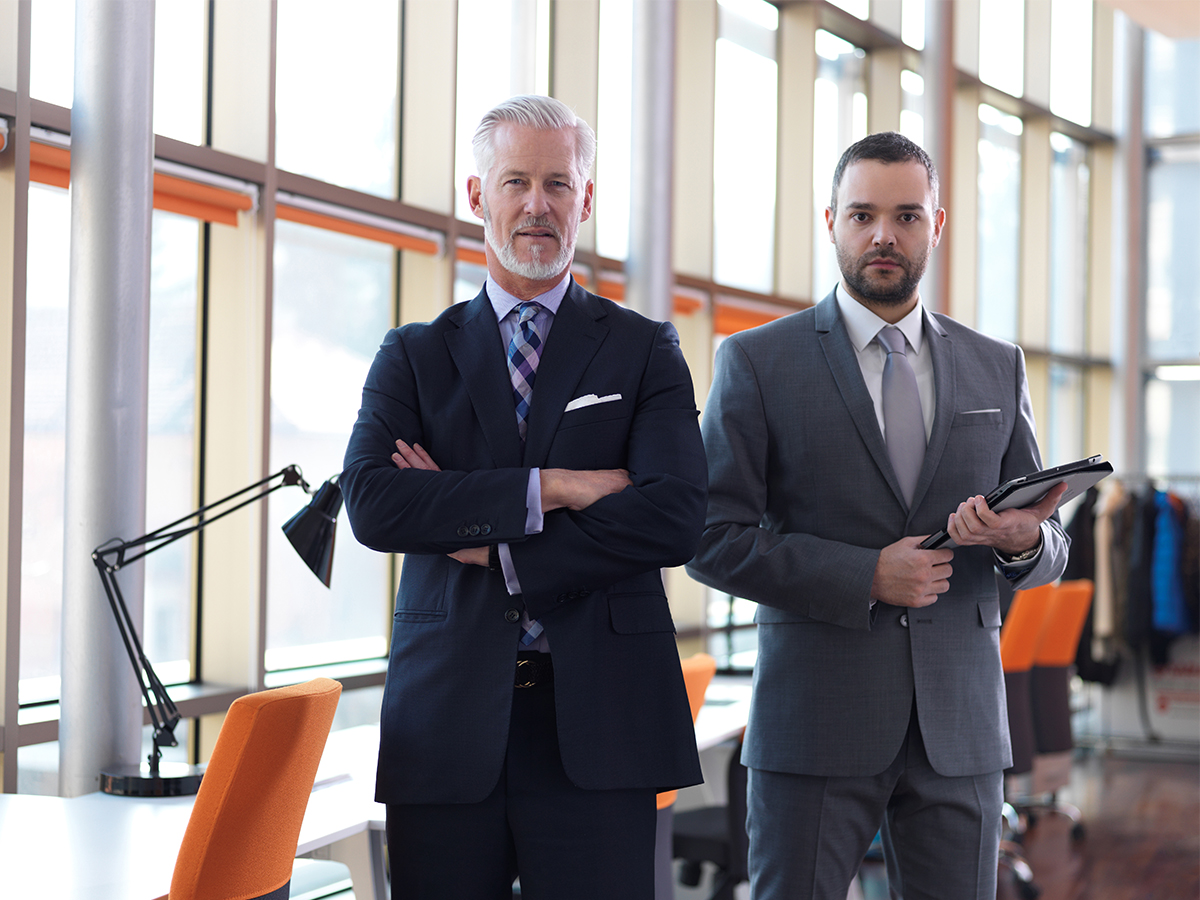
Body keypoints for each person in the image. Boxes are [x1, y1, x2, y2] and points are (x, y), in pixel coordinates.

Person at [685, 131, 1070, 900]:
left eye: (906, 215)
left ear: (938, 224)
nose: (884, 235)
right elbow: (706, 537)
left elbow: (1045, 539)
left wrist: (1026, 540)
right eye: (862, 215)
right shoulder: (758, 362)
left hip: (958, 727)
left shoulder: (998, 363)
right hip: (815, 719)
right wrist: (865, 574)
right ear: (830, 221)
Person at [340, 95, 707, 900]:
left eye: (558, 185)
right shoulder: (412, 356)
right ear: (479, 197)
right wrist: (556, 488)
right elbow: (373, 504)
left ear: (586, 198)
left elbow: (677, 514)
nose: (537, 205)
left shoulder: (645, 350)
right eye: (516, 182)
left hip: (603, 722)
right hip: (444, 727)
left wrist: (503, 547)